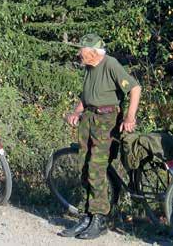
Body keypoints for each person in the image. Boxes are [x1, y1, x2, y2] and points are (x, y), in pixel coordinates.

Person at [59, 34, 141, 239]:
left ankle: (99, 219)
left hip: (107, 121)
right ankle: (87, 217)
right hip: (89, 119)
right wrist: (76, 112)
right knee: (84, 167)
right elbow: (85, 97)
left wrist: (130, 117)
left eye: (81, 50)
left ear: (93, 52)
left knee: (96, 168)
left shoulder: (110, 64)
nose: (78, 53)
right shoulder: (88, 67)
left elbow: (135, 88)